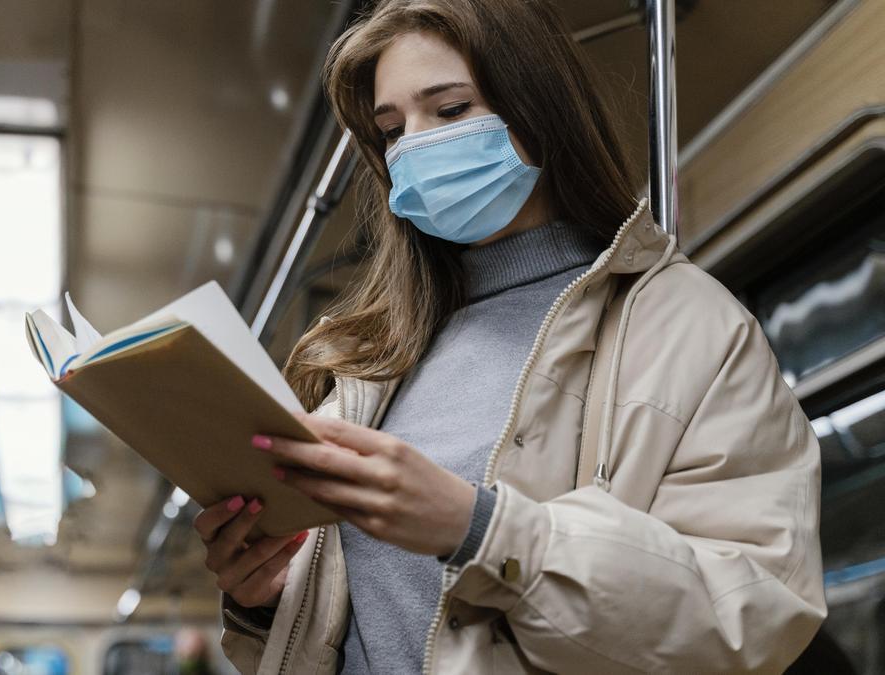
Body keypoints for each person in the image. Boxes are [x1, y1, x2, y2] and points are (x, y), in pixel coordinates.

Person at [192, 0, 826, 672]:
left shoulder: (692, 328)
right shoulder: (371, 357)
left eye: (451, 109)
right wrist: (268, 600)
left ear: (537, 107)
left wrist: (486, 531)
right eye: (392, 129)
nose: (415, 145)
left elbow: (755, 614)